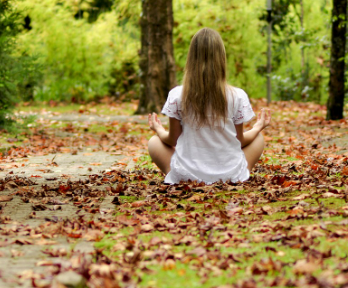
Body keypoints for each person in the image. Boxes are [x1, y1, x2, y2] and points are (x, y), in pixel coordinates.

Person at [148, 27, 271, 185]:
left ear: (191, 59)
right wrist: (258, 127)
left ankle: (181, 177)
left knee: (154, 141)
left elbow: (173, 139)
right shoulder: (237, 96)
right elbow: (239, 141)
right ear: (221, 59)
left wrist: (158, 130)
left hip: (188, 177)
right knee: (258, 138)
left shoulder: (177, 95)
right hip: (229, 177)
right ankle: (237, 176)